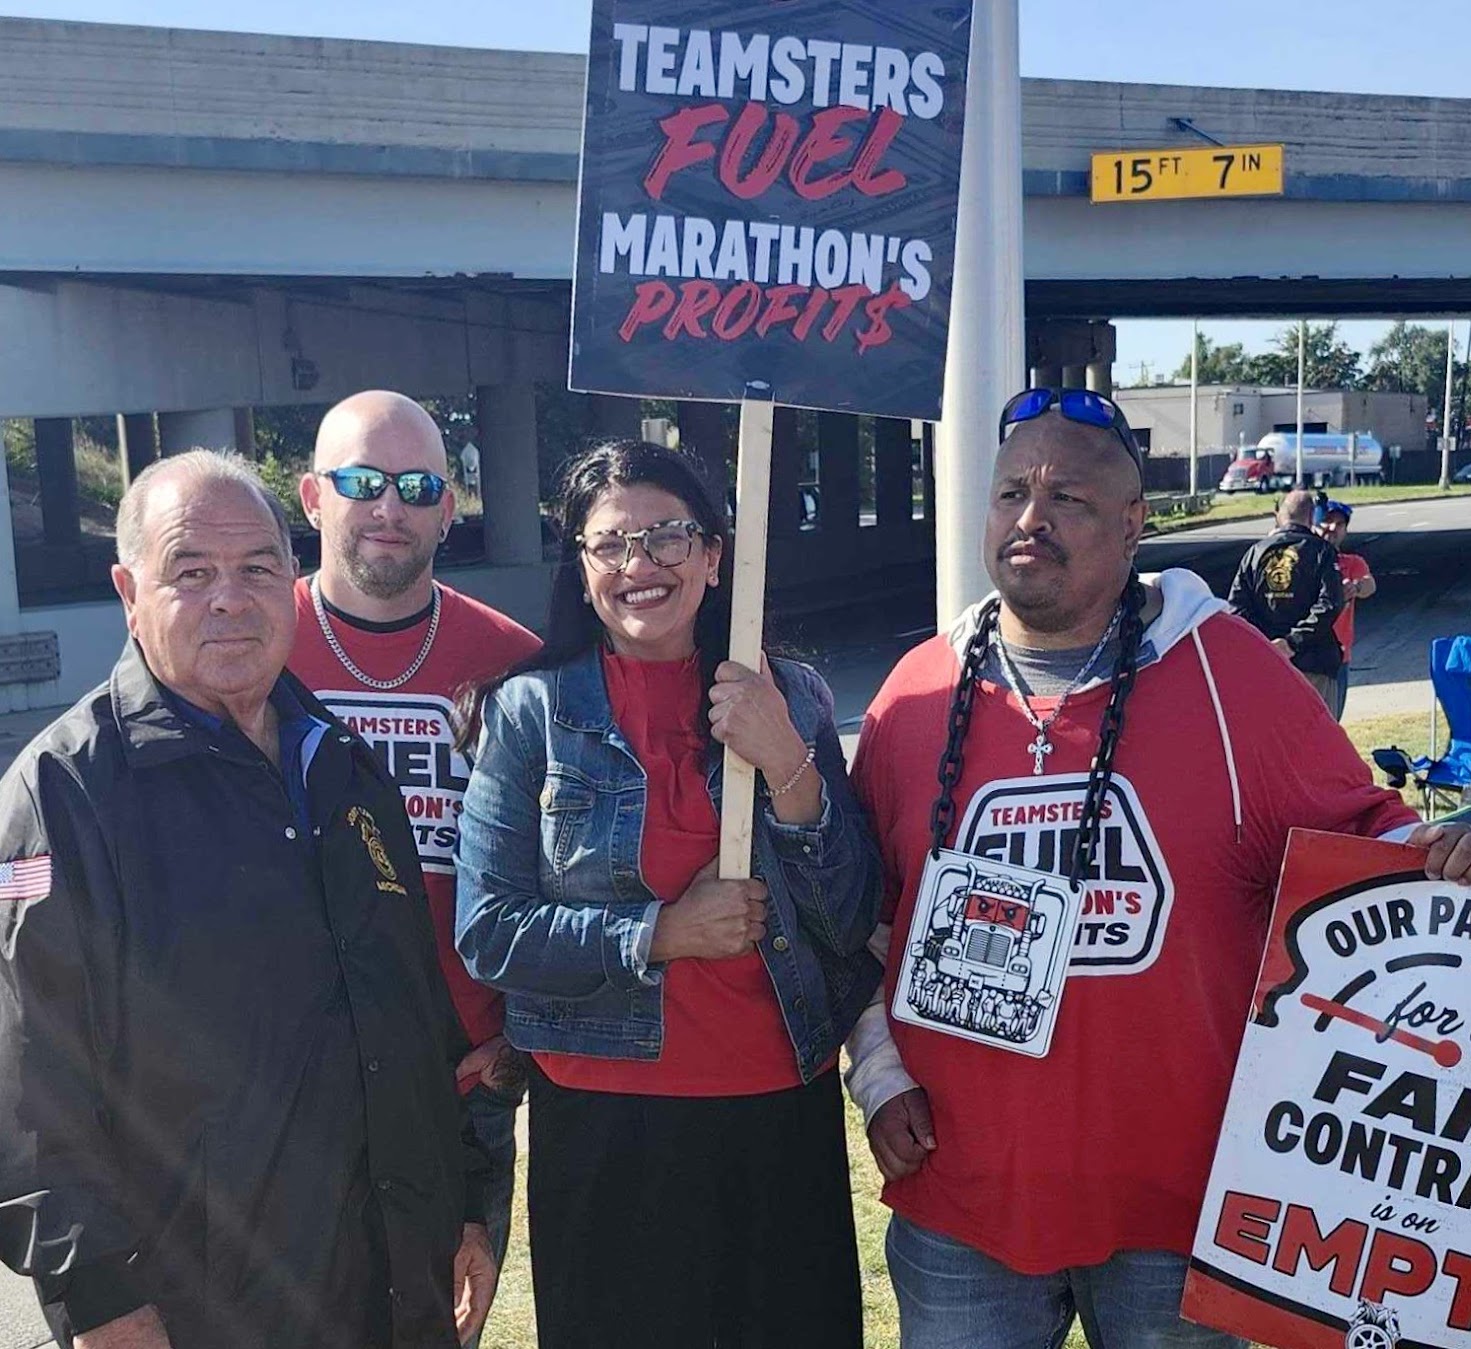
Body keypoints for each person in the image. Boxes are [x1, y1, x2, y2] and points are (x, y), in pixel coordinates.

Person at [843, 387, 1471, 1349]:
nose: (1030, 519)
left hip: (1182, 1207)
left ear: (1133, 524)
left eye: (1066, 498)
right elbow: (863, 916)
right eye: (1010, 495)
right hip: (961, 1196)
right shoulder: (914, 694)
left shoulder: (1231, 676)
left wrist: (1448, 856)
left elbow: (1364, 843)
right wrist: (878, 1073)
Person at [0, 452, 496, 1349]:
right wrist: (100, 1302)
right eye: (190, 571)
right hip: (199, 1311)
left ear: (293, 580)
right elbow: (31, 1086)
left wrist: (461, 1202)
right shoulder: (66, 794)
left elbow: (406, 1015)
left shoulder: (343, 765)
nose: (230, 597)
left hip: (391, 1291)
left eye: (258, 568)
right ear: (129, 590)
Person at [453, 440, 882, 1348]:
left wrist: (787, 764)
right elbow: (489, 931)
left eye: (667, 537)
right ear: (581, 565)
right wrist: (663, 933)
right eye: (610, 545)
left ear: (718, 554)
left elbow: (850, 914)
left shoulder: (791, 694)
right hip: (610, 1118)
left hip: (776, 1104)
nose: (638, 566)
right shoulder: (530, 711)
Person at [293, 391, 541, 1303]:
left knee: (438, 1322)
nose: (389, 506)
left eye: (416, 484)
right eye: (363, 481)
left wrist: (523, 1034)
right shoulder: (252, 650)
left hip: (462, 1078)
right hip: (293, 1076)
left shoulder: (518, 664)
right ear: (315, 496)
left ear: (449, 505)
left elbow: (568, 869)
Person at [1227, 488, 1345, 713]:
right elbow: (1330, 604)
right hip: (1313, 664)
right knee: (1316, 739)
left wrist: (1266, 644)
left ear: (1279, 516)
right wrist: (1292, 641)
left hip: (1266, 667)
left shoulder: (1254, 554)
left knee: (1271, 739)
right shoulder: (1322, 552)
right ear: (1312, 518)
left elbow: (1236, 609)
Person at [1316, 498, 1376, 720]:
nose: (1332, 528)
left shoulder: (1351, 563)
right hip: (1305, 655)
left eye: (1339, 524)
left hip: (1338, 657)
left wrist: (1356, 587)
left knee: (1331, 722)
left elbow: (1370, 584)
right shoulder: (1303, 560)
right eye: (1327, 521)